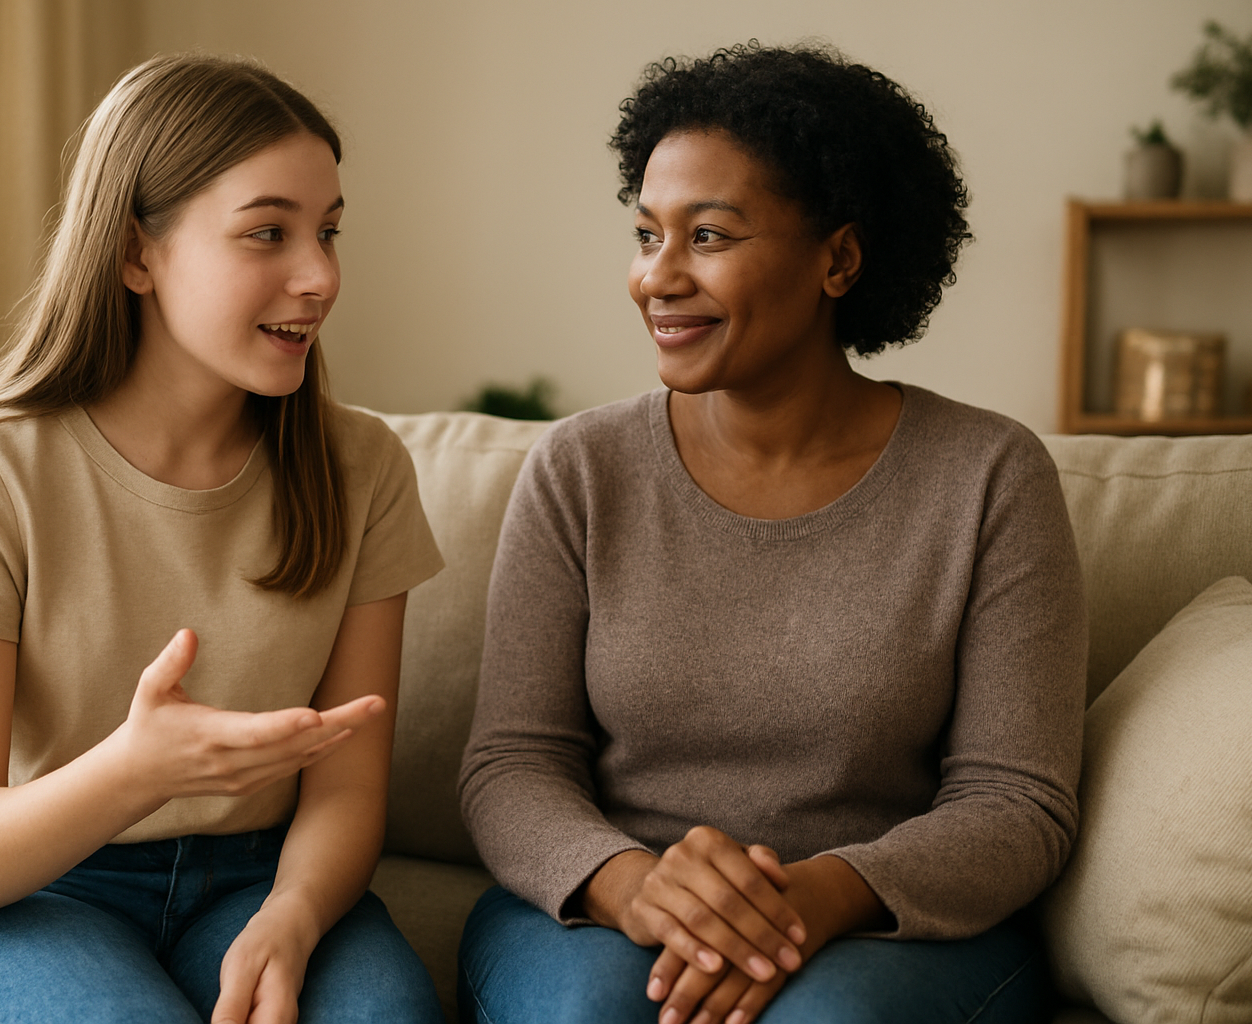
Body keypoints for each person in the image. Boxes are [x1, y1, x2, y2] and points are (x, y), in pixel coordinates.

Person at [457, 42, 1086, 1024]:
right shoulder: (580, 469)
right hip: (609, 905)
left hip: (878, 918)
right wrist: (636, 884)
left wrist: (816, 895)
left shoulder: (989, 478)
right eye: (646, 233)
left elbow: (1017, 800)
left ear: (838, 257)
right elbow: (511, 764)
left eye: (707, 236)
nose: (656, 278)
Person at [0, 54, 447, 1024]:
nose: (320, 276)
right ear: (138, 254)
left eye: (330, 232)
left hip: (264, 877)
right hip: (40, 889)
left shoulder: (364, 467)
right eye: (269, 231)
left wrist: (294, 915)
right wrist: (137, 768)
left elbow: (348, 785)